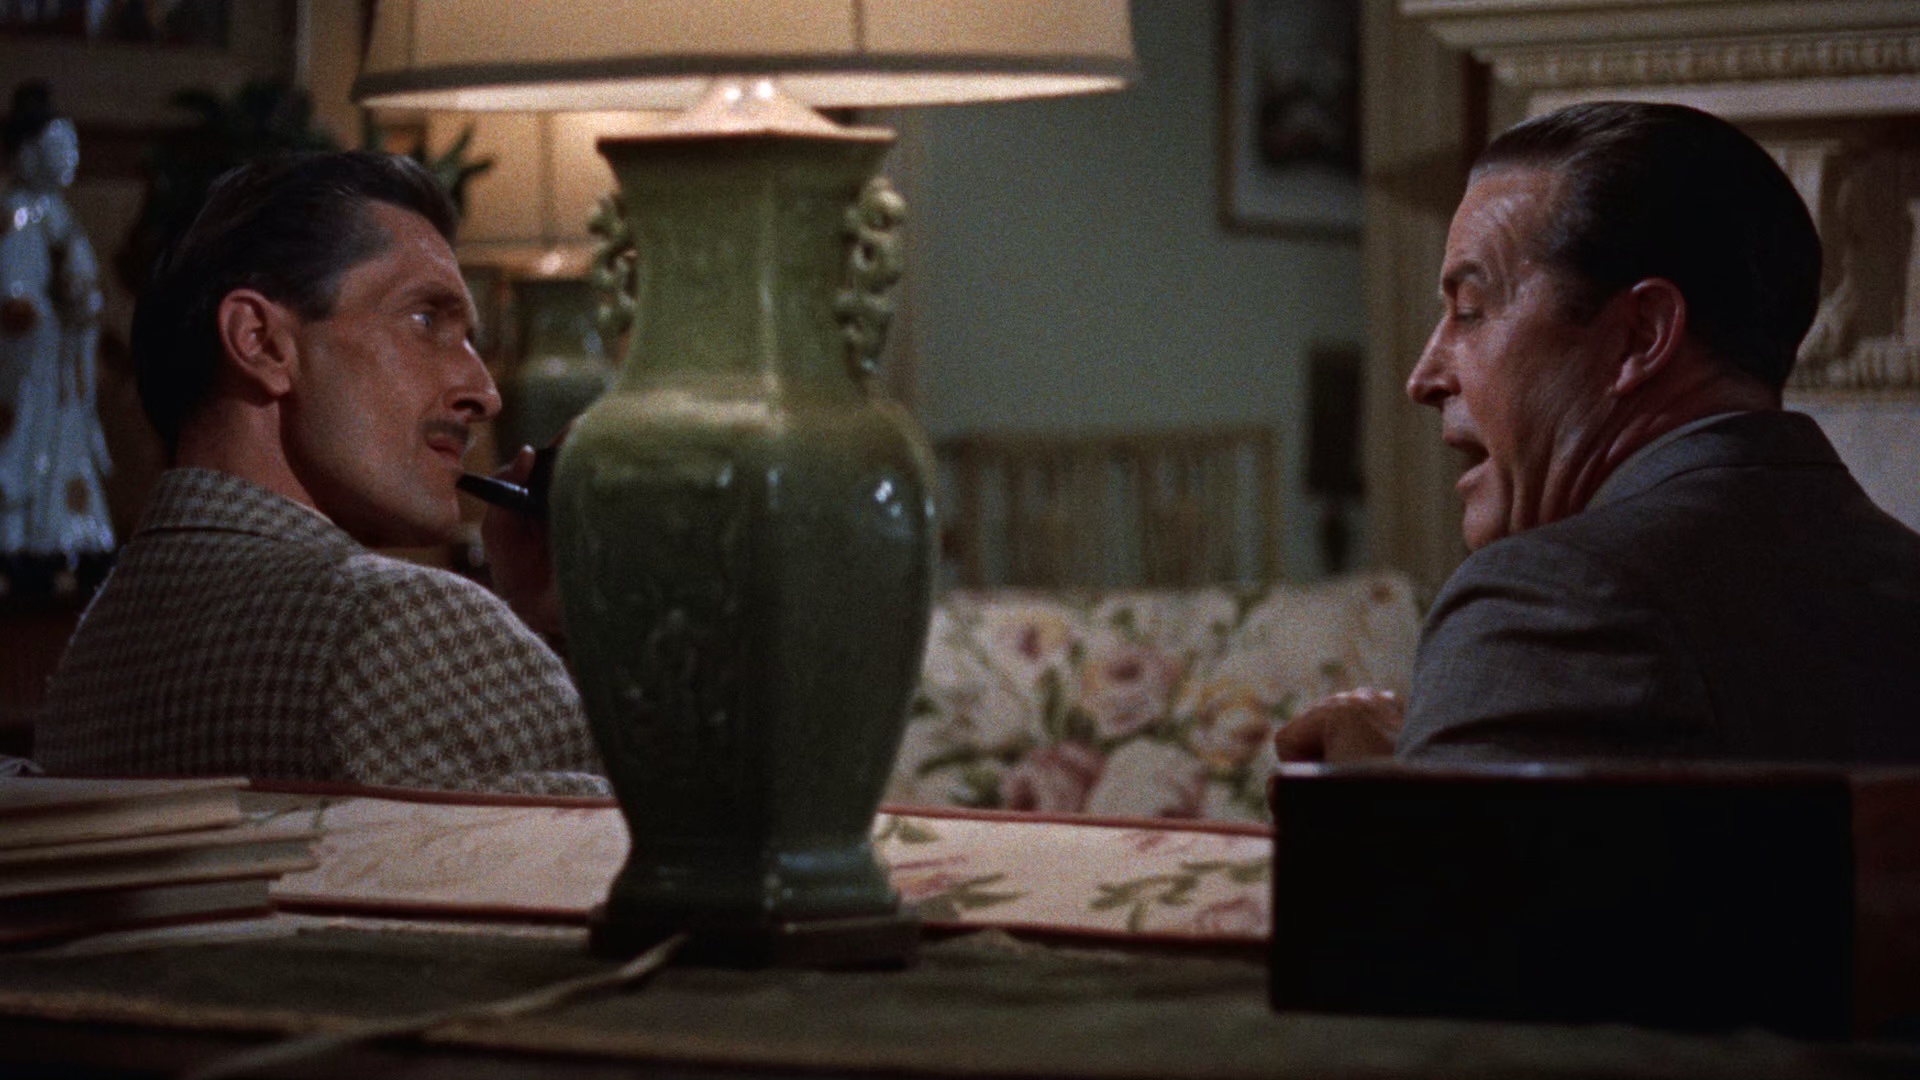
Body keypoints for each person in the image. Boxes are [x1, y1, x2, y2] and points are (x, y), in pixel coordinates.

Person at [1274, 101, 1920, 765]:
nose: (1423, 377)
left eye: (1470, 312)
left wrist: (1372, 799)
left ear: (1640, 335)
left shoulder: (1551, 601)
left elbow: (1454, 849)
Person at [37, 152, 605, 795]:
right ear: (260, 341)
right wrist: (604, 616)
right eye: (426, 320)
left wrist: (536, 617)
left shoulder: (94, 652)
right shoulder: (401, 624)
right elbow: (666, 833)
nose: (484, 392)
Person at [0, 81, 114, 565]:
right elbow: (15, 299)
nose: (69, 156)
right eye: (56, 145)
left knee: (67, 451)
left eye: (72, 145)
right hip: (37, 366)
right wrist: (53, 319)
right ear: (29, 153)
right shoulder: (18, 214)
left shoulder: (56, 212)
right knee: (29, 449)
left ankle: (63, 534)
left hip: (61, 368)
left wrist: (83, 311)